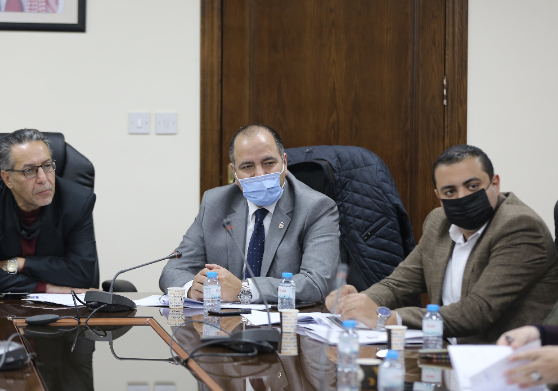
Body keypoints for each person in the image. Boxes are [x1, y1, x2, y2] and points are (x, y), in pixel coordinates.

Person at [326, 144, 558, 344]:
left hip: (508, 362)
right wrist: (358, 302)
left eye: (473, 186)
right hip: (445, 354)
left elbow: (478, 311)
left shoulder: (519, 226)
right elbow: (398, 285)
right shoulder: (439, 223)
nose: (462, 197)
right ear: (438, 196)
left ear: (495, 184)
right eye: (450, 191)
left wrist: (387, 318)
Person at [159, 124, 340, 304]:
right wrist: (193, 289)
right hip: (226, 320)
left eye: (269, 163)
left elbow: (315, 284)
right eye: (247, 166)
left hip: (286, 320)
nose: (260, 174)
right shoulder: (215, 203)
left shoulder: (316, 208)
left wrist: (244, 290)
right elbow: (173, 270)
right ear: (234, 173)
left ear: (284, 163)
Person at [0, 129, 97, 294]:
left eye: (47, 166)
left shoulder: (77, 203)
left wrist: (19, 264)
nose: (43, 179)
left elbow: (81, 274)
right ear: (8, 179)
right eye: (29, 170)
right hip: (1, 307)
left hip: (60, 308)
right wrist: (45, 288)